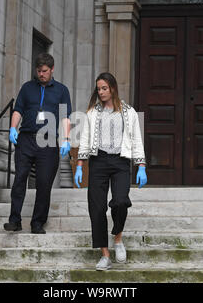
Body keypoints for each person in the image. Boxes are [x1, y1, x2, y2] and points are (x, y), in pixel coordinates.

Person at [74, 72, 147, 271]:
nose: (101, 92)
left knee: (121, 201)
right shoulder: (92, 112)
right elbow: (86, 139)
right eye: (99, 88)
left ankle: (118, 238)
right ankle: (105, 255)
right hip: (98, 162)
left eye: (104, 88)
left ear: (113, 88)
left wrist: (141, 165)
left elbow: (136, 139)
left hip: (121, 162)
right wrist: (80, 165)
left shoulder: (129, 112)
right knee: (96, 208)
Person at [4, 53, 72, 234]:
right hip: (26, 137)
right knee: (19, 179)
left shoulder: (61, 90)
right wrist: (12, 128)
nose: (41, 74)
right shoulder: (27, 88)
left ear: (52, 69)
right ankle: (14, 220)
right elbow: (18, 110)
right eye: (38, 71)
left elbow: (65, 117)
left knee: (43, 183)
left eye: (44, 71)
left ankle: (37, 223)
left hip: (48, 139)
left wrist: (66, 139)